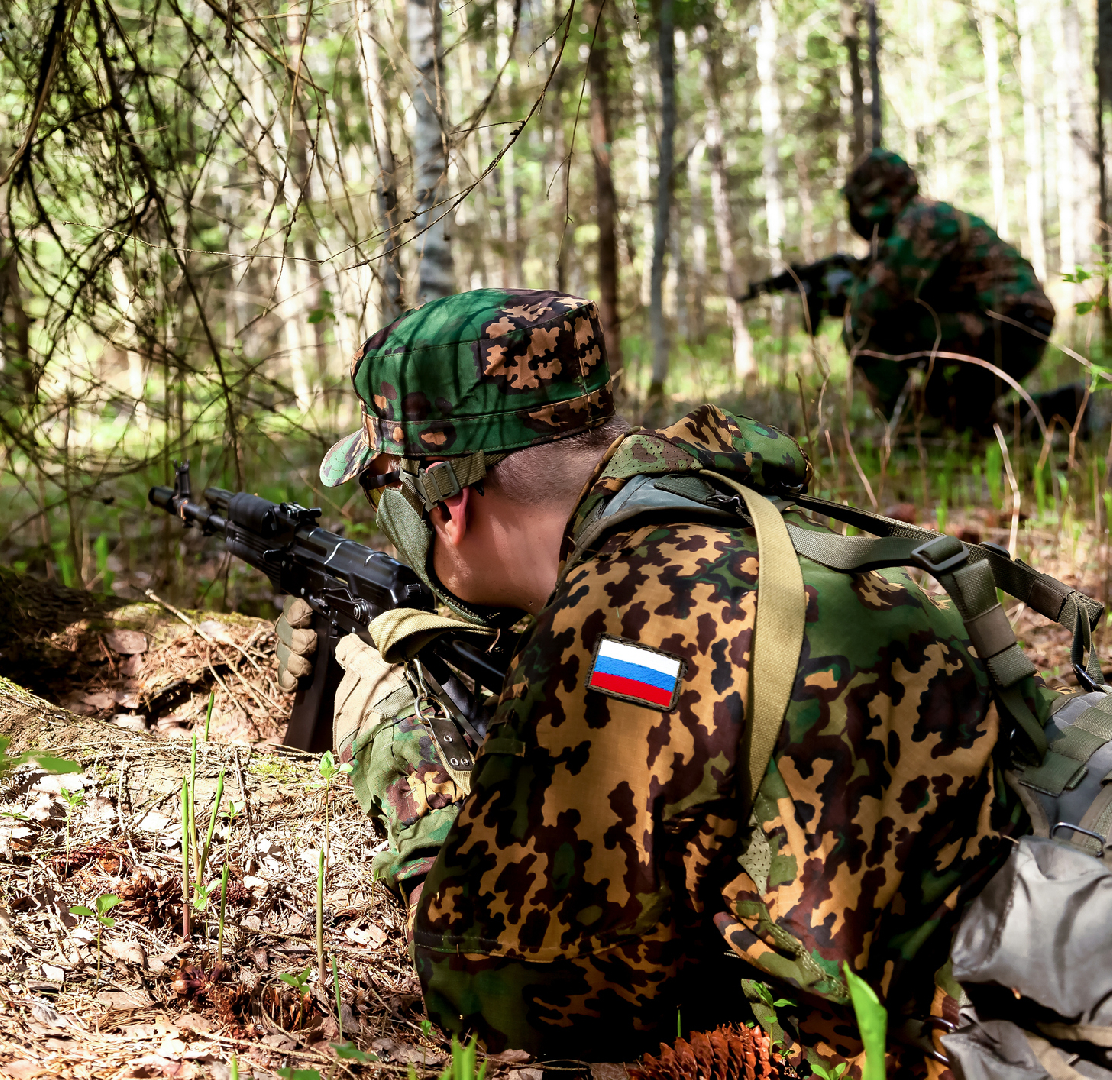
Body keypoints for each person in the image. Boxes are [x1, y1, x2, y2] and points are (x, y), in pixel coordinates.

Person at [282, 287, 1062, 1078]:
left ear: (446, 505)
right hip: (1014, 968)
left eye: (387, 488)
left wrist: (408, 764)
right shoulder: (753, 525)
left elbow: (495, 990)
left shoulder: (616, 615)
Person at [841, 150, 1055, 431]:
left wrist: (838, 294)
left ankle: (911, 432)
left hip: (1007, 327)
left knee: (861, 330)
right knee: (954, 417)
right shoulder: (928, 216)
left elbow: (873, 305)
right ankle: (1067, 408)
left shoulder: (920, 220)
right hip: (1016, 326)